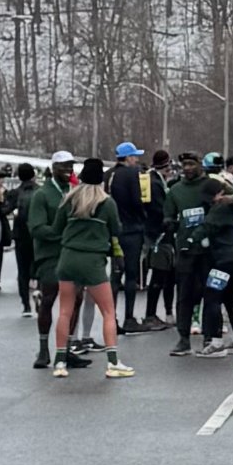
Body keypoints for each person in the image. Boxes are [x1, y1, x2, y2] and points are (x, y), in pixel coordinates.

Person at [50, 158, 133, 379]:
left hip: (68, 258)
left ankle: (59, 361)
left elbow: (57, 228)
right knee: (107, 311)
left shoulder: (69, 200)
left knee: (65, 311)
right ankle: (113, 362)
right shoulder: (106, 203)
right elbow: (117, 229)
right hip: (93, 261)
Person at [27, 153, 86, 371]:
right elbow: (36, 227)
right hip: (50, 257)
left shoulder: (73, 192)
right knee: (49, 300)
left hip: (73, 255)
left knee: (76, 299)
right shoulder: (42, 195)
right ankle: (43, 349)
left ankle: (67, 349)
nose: (67, 170)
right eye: (63, 166)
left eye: (70, 166)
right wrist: (60, 235)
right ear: (53, 168)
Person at [192, 175, 233, 356]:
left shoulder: (218, 210)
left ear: (219, 194)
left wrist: (190, 240)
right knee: (229, 299)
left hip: (223, 261)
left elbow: (205, 228)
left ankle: (216, 342)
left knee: (212, 297)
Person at [164, 152, 211, 357]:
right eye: (185, 165)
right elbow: (168, 214)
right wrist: (169, 223)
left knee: (210, 293)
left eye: (192, 164)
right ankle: (183, 338)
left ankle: (210, 336)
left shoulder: (210, 186)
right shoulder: (176, 190)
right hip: (185, 249)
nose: (188, 168)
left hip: (209, 249)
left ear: (200, 165)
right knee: (184, 294)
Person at [108, 142, 149, 337]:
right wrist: (143, 217)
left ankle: (111, 318)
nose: (137, 160)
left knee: (115, 275)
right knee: (131, 275)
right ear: (127, 157)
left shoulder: (108, 175)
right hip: (132, 229)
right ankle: (129, 318)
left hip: (113, 230)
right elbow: (136, 200)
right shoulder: (132, 174)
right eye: (134, 156)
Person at [141, 149, 175, 329]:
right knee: (160, 275)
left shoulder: (152, 180)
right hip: (159, 235)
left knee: (167, 274)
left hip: (158, 233)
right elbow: (157, 209)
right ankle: (151, 314)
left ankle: (164, 312)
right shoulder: (155, 183)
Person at [6, 162, 39, 314]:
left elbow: (5, 210)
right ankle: (39, 291)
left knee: (22, 269)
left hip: (20, 236)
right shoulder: (40, 192)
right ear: (33, 175)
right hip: (38, 235)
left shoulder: (14, 193)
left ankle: (26, 304)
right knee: (39, 265)